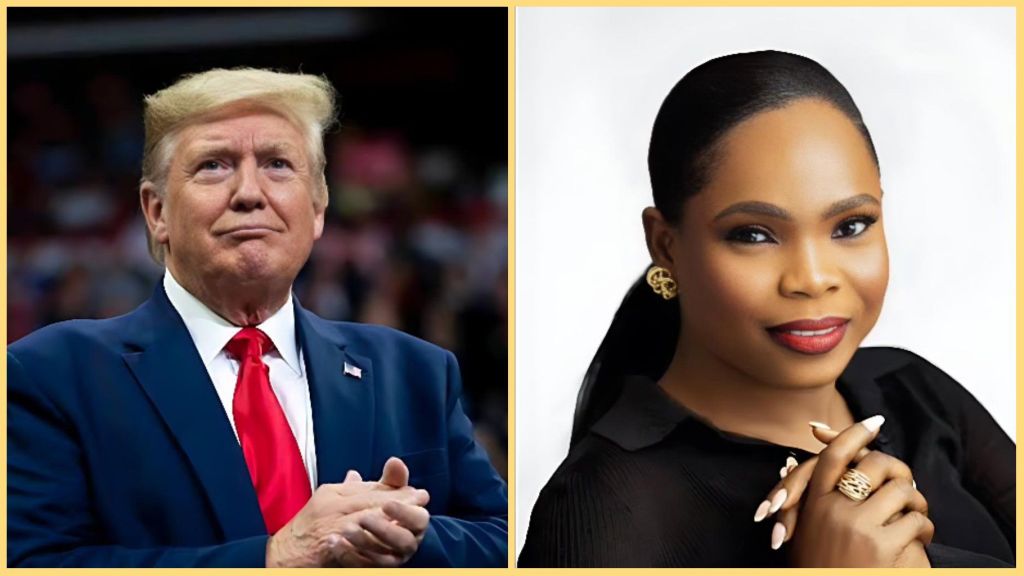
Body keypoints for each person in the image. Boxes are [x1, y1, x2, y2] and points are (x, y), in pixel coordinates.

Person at [518, 50, 1013, 568]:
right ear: (665, 245)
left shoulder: (912, 389)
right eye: (753, 234)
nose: (813, 278)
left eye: (850, 225)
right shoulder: (605, 506)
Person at [8, 68, 508, 568]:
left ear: (317, 210)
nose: (249, 192)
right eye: (213, 166)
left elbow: (509, 541)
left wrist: (401, 534)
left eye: (277, 164)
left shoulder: (417, 371)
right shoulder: (51, 375)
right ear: (156, 212)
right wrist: (274, 557)